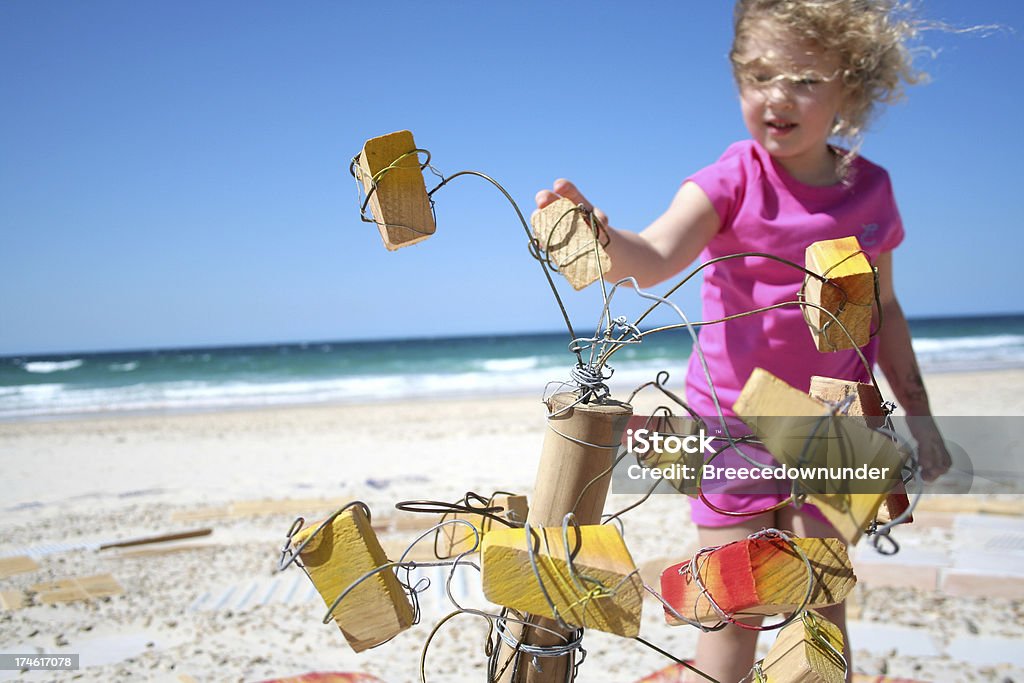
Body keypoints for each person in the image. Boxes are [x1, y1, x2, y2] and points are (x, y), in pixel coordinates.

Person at [535, 1, 952, 680]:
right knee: (733, 611)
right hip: (732, 427)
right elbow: (656, 253)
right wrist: (598, 240)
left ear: (851, 86)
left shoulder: (871, 190)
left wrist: (922, 417)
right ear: (736, 80)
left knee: (822, 608)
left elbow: (887, 310)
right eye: (758, 76)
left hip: (833, 429)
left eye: (804, 79)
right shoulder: (733, 178)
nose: (776, 97)